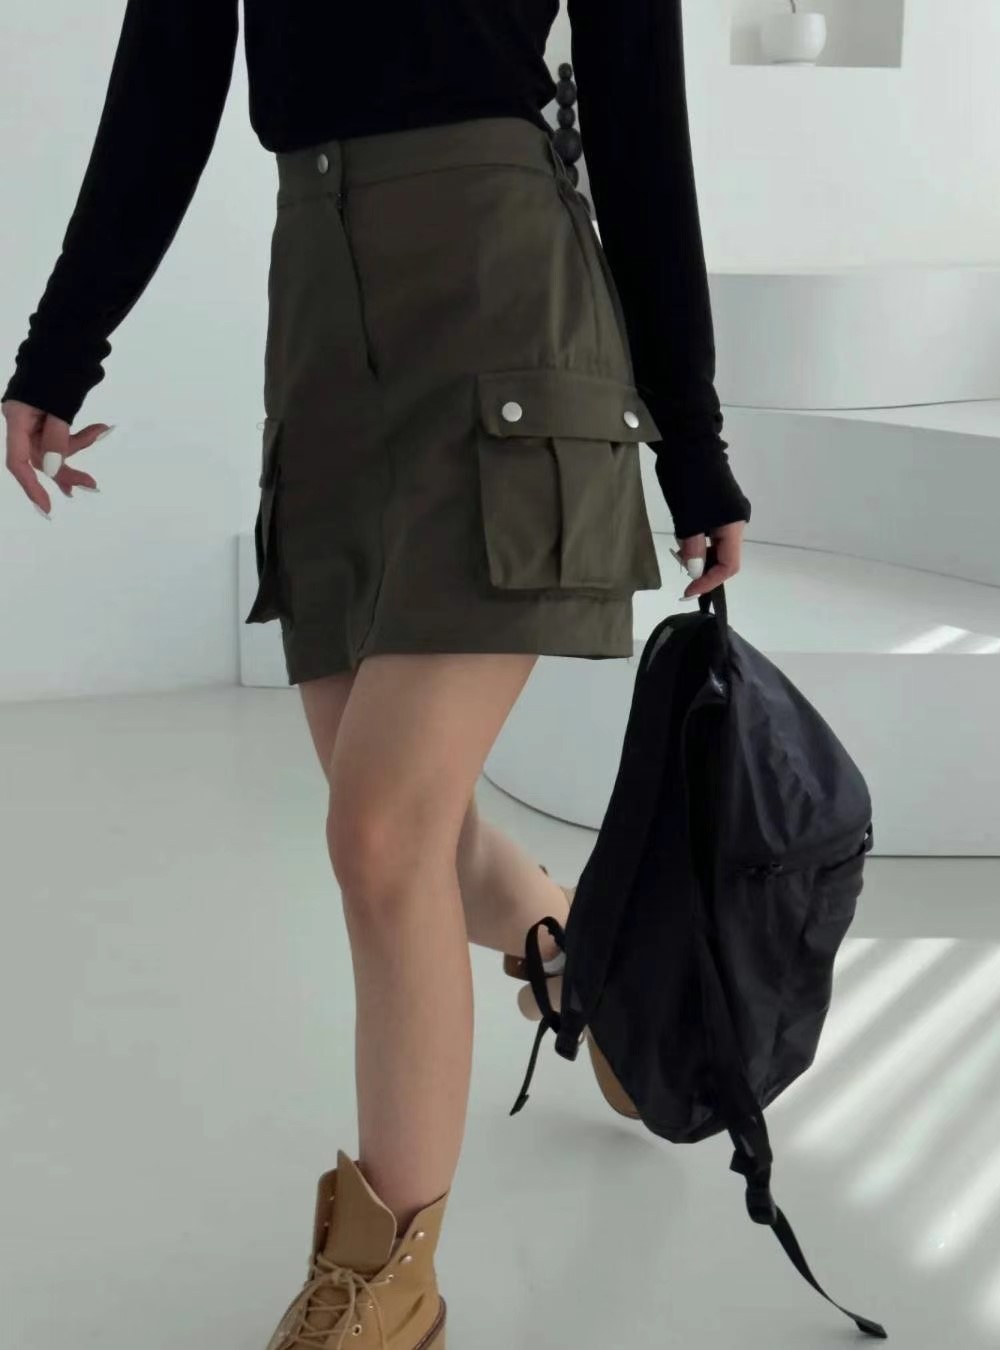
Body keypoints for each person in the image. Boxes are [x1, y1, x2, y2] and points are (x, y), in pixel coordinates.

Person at [1, 2, 749, 1346]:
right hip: (324, 335)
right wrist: (62, 347)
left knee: (381, 829)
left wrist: (692, 443)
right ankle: (584, 956)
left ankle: (386, 1282)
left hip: (507, 317)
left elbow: (642, 119)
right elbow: (167, 76)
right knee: (417, 832)